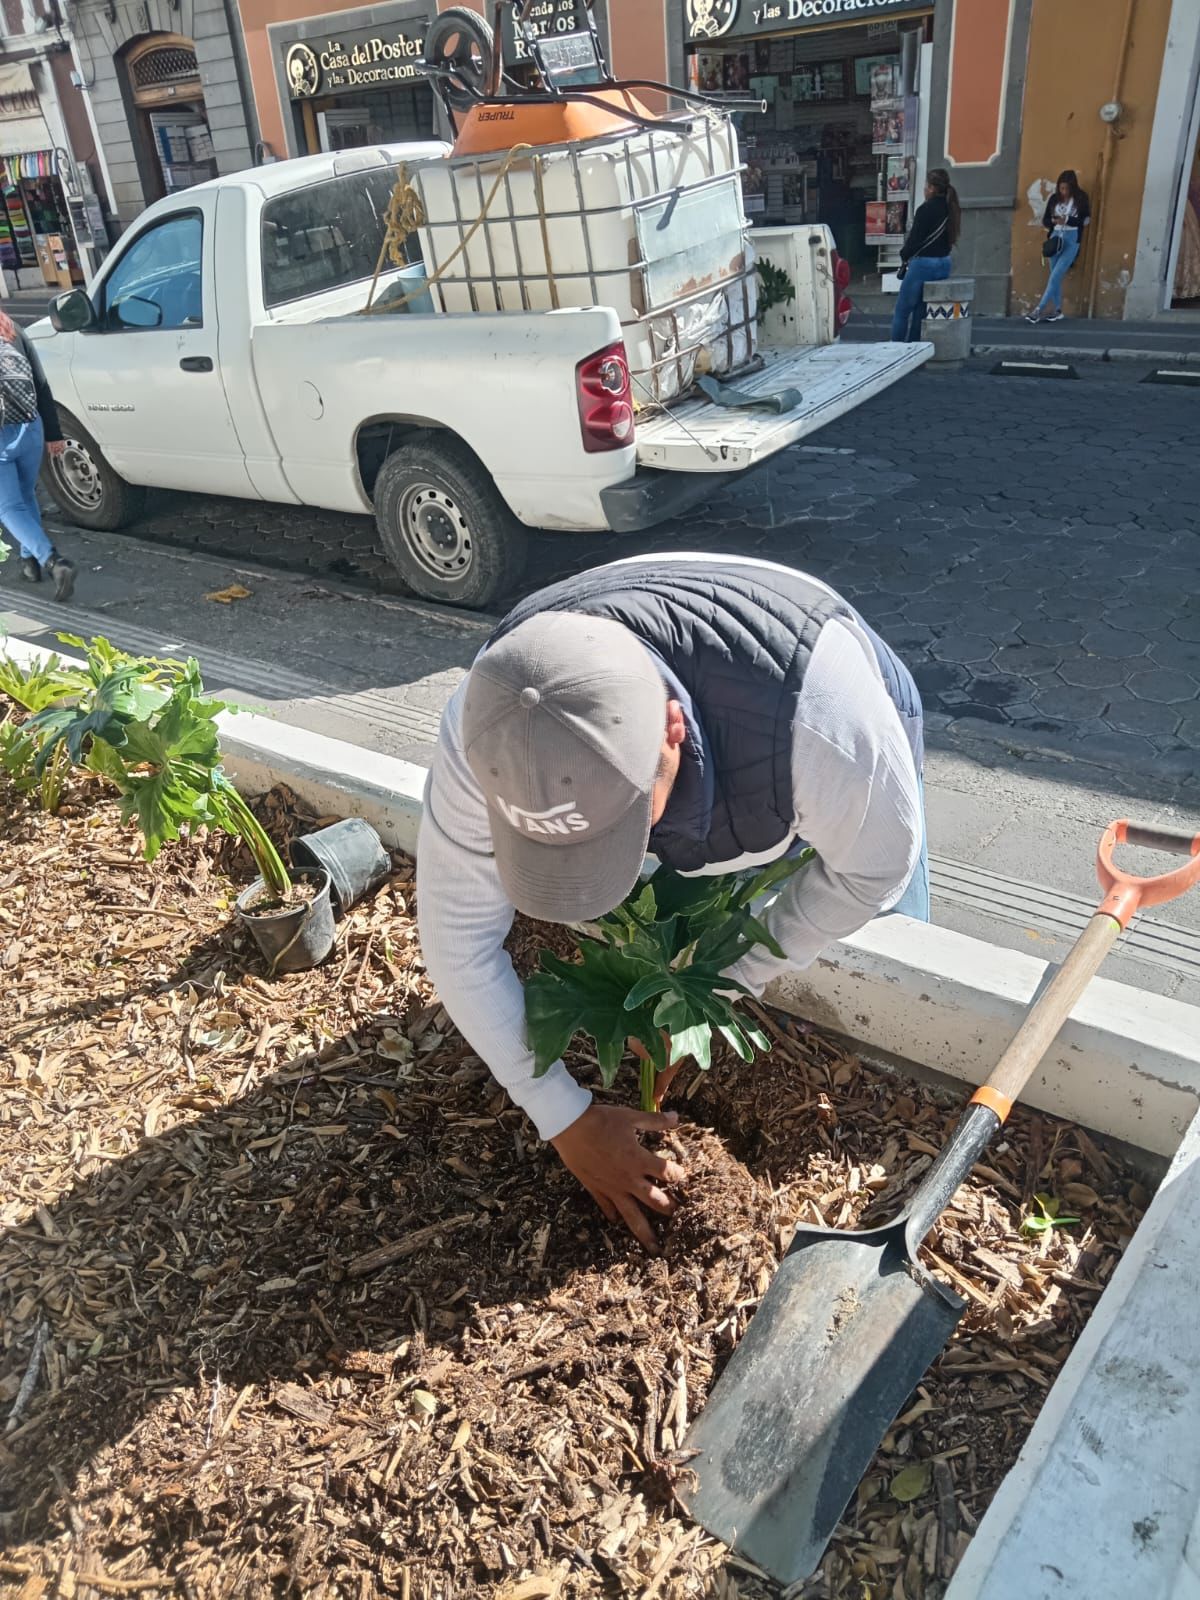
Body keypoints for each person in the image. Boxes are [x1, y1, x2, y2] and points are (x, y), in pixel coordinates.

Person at [417, 556, 928, 1251]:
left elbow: (870, 874)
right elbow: (456, 937)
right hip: (716, 759)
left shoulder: (828, 731)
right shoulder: (494, 728)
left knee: (899, 951)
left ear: (672, 729)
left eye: (622, 828)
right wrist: (563, 1117)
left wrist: (722, 987)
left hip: (786, 729)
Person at [0, 311, 75, 600]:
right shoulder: (12, 328)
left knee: (9, 508)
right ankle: (29, 562)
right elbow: (40, 383)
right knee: (27, 495)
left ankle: (54, 562)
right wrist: (54, 433)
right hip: (31, 426)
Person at [890, 168, 961, 342]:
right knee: (921, 311)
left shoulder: (925, 209)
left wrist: (904, 255)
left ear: (931, 188)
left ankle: (895, 349)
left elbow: (914, 240)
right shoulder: (951, 207)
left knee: (902, 311)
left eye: (926, 186)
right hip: (944, 263)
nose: (924, 189)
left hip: (923, 265)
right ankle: (914, 348)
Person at [1026, 169, 1091, 324]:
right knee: (1054, 275)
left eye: (1067, 188)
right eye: (1061, 188)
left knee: (1056, 275)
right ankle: (1058, 310)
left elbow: (1085, 221)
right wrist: (1054, 221)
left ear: (1073, 187)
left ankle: (1038, 310)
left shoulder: (1081, 198)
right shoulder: (1054, 198)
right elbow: (1045, 220)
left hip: (1072, 238)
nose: (1064, 192)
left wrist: (1067, 220)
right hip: (1055, 238)